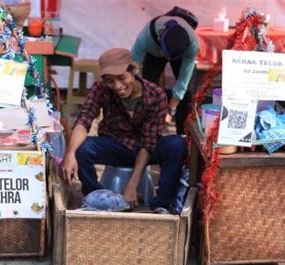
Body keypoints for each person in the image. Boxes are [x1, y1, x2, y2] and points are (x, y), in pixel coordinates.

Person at [61, 48, 187, 214]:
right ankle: (97, 199)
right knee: (82, 147)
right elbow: (84, 120)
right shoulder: (101, 88)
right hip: (116, 146)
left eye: (121, 78)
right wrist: (70, 154)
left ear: (134, 69)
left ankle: (161, 205)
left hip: (147, 149)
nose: (117, 86)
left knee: (178, 144)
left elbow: (148, 144)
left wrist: (131, 186)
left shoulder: (155, 94)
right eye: (110, 81)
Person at [131, 11, 199, 134]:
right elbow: (134, 69)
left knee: (186, 94)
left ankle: (183, 136)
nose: (167, 59)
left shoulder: (192, 45)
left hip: (179, 53)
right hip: (154, 52)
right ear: (159, 37)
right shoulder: (145, 38)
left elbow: (183, 81)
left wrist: (172, 108)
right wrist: (140, 95)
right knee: (148, 87)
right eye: (166, 56)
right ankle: (148, 132)